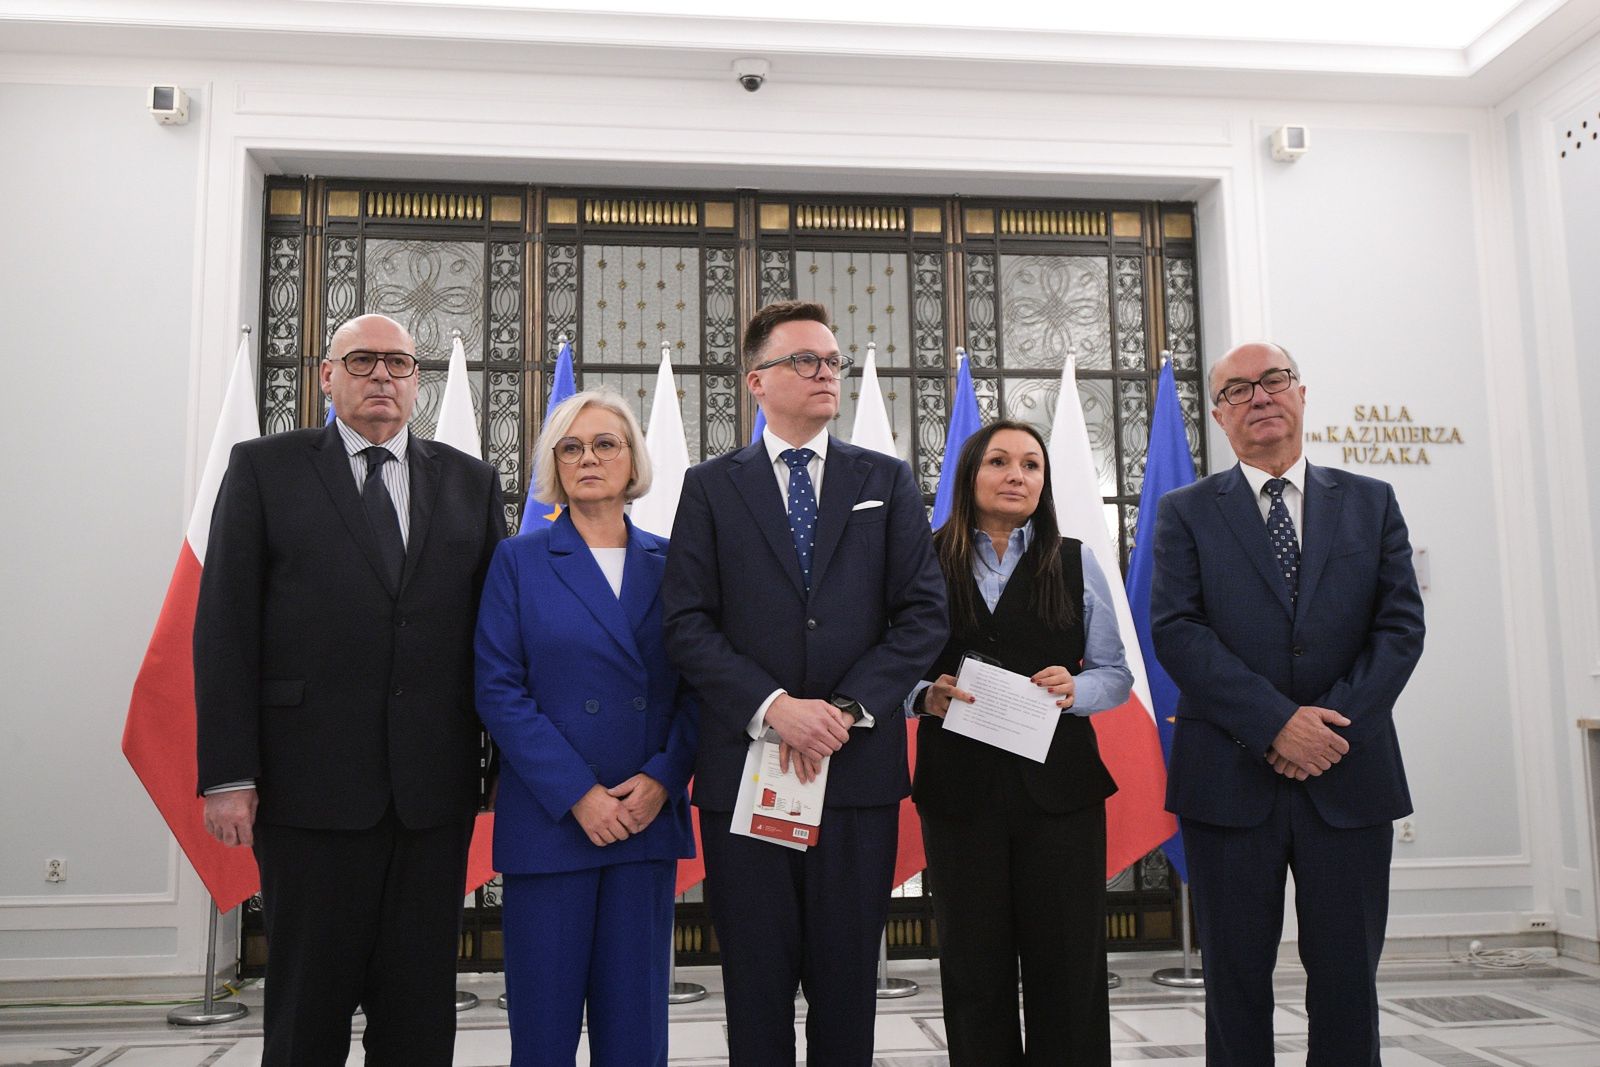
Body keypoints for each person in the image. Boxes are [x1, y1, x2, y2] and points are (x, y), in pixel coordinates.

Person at [194, 313, 506, 1065]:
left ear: (417, 383)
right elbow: (225, 627)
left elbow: (498, 637)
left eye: (398, 363)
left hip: (431, 793)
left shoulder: (470, 481)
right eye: (361, 360)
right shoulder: (264, 467)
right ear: (327, 376)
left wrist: (501, 764)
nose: (381, 377)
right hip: (306, 792)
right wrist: (228, 773)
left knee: (420, 1009)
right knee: (308, 1009)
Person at [661, 300, 948, 1066]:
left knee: (848, 981)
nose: (827, 374)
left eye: (833, 362)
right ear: (757, 380)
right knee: (754, 982)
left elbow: (923, 617)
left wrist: (844, 711)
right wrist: (774, 708)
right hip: (745, 773)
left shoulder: (883, 479)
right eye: (807, 361)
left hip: (854, 774)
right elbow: (686, 622)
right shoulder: (709, 486)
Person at [1150, 341, 1425, 1065]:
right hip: (1229, 779)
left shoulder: (1372, 501)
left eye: (1273, 380)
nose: (1259, 396)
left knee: (1347, 980)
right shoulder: (1184, 512)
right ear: (1218, 415)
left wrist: (1327, 729)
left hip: (1349, 773)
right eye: (1238, 389)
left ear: (1302, 393)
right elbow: (1177, 631)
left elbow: (1400, 629)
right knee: (1236, 983)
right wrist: (1276, 722)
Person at [474, 389, 696, 1067]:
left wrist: (662, 779)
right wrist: (579, 793)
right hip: (553, 821)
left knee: (635, 1034)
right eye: (571, 446)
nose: (588, 457)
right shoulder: (519, 558)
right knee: (542, 1032)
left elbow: (701, 686)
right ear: (554, 465)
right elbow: (497, 687)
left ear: (632, 460)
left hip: (642, 817)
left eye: (605, 443)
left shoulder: (676, 560)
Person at [911, 419, 1132, 1066]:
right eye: (1000, 461)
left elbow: (1115, 675)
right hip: (959, 794)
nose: (1017, 474)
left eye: (1031, 465)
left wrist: (1076, 689)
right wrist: (924, 694)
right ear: (969, 476)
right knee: (973, 970)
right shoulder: (924, 558)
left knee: (1069, 969)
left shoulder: (1075, 558)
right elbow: (892, 666)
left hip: (1060, 796)